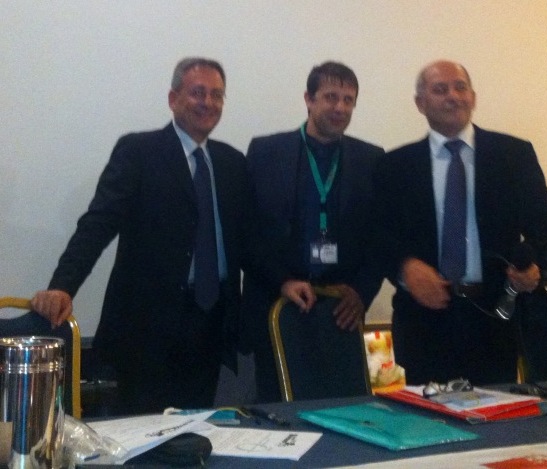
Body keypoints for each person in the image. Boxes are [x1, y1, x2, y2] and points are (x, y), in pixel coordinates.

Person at [31, 57, 250, 414]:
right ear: (173, 98)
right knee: (142, 433)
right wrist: (63, 286)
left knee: (197, 430)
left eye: (217, 95)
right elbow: (98, 223)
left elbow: (247, 239)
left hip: (210, 327)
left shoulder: (232, 162)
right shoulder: (139, 152)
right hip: (147, 331)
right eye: (197, 92)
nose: (208, 102)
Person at [378, 59, 547, 385]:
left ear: (473, 98)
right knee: (427, 417)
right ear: (420, 103)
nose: (453, 96)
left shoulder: (513, 156)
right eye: (440, 89)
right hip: (425, 323)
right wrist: (405, 269)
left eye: (460, 87)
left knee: (498, 415)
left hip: (495, 320)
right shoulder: (395, 165)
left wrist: (534, 269)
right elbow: (378, 237)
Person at [240, 61, 386, 402]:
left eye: (348, 100)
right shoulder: (265, 152)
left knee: (343, 407)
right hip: (276, 303)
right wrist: (281, 280)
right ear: (308, 99)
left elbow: (381, 237)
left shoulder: (371, 159)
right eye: (331, 97)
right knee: (278, 408)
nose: (340, 107)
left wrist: (362, 292)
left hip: (340, 312)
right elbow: (247, 231)